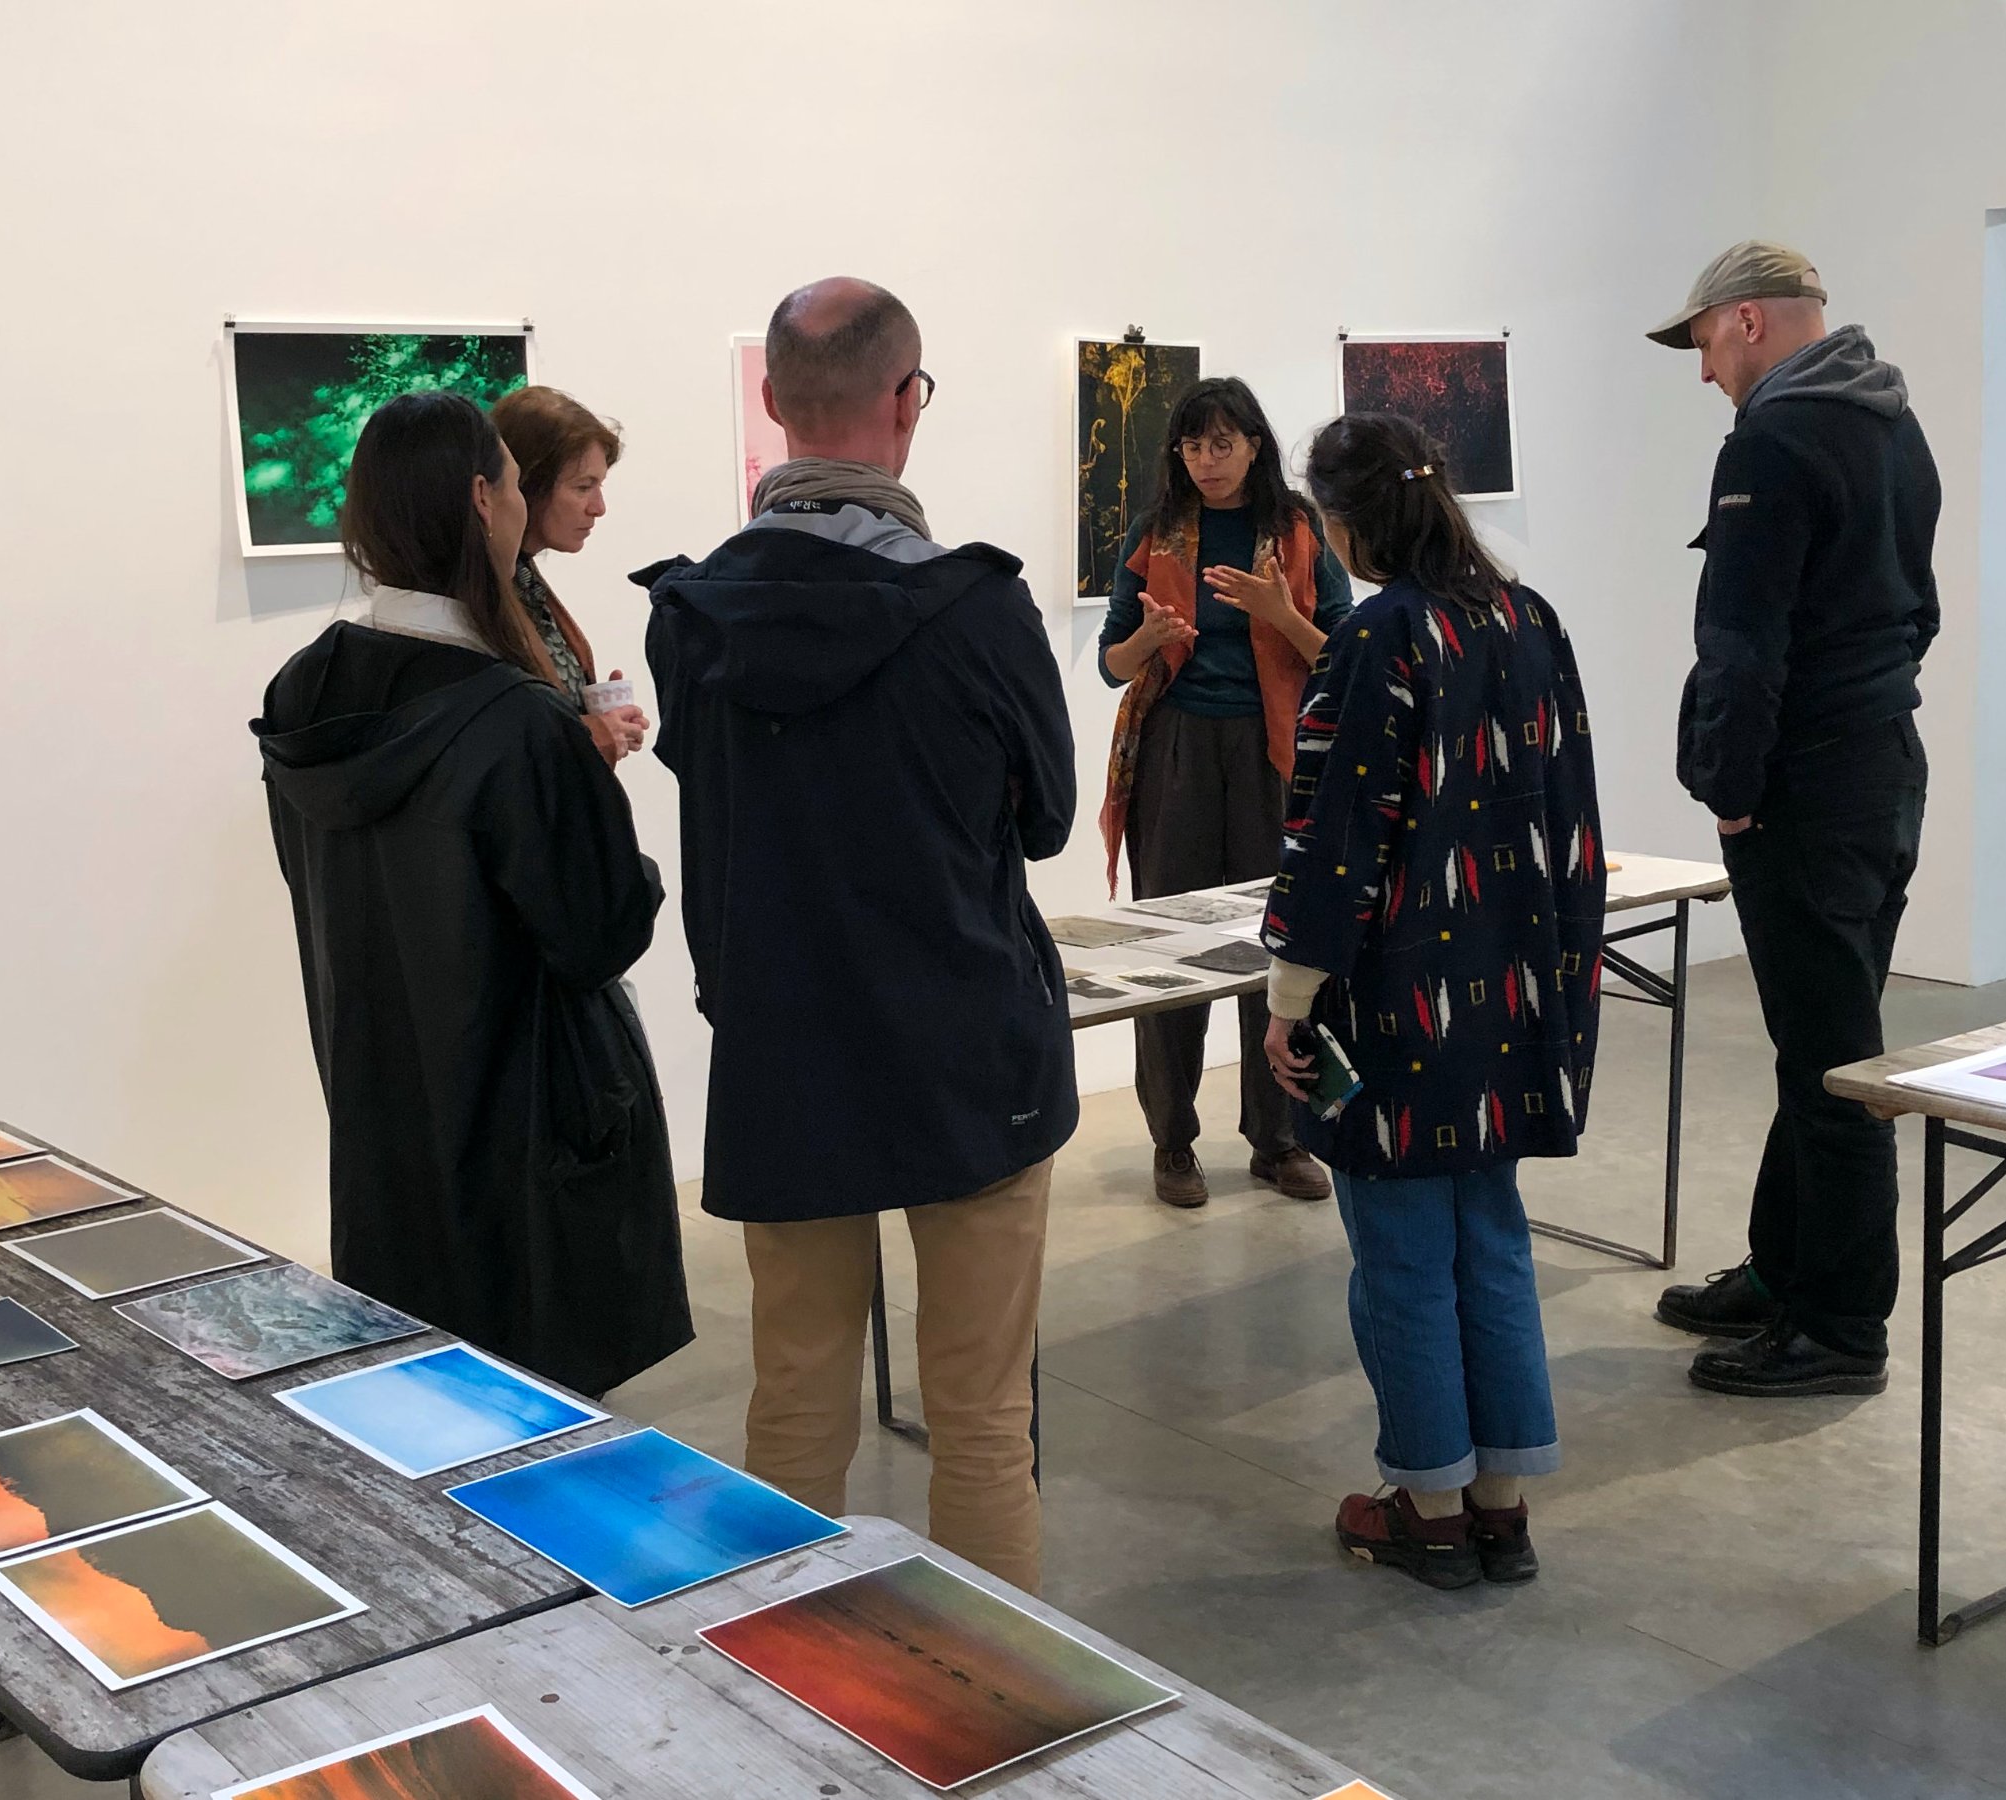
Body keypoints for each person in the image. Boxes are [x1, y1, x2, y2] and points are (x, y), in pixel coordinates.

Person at [637, 279, 1074, 1593]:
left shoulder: (691, 617)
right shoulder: (980, 610)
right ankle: (995, 1719)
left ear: (774, 405)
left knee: (795, 1404)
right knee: (983, 1416)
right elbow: (1046, 822)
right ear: (905, 404)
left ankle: (783, 1700)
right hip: (969, 1051)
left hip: (787, 1047)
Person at [253, 390, 692, 1396]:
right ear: (485, 501)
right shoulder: (514, 722)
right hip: (527, 1129)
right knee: (539, 1420)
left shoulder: (302, 693)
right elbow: (598, 930)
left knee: (424, 1403)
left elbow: (312, 883)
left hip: (381, 1104)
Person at [1260, 413, 1604, 1591]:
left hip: (1403, 1004)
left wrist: (1289, 998)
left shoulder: (1378, 638)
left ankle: (1430, 1506)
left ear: (1346, 523)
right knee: (1492, 1242)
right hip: (1512, 992)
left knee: (1402, 1257)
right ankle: (1503, 1504)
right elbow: (1571, 821)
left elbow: (1333, 838)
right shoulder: (1529, 619)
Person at [1646, 241, 1939, 1398]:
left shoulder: (1773, 438)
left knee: (1835, 1066)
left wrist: (1732, 786)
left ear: (1752, 323)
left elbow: (1743, 642)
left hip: (1807, 794)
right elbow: (1915, 614)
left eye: (1707, 342)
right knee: (1820, 1043)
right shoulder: (1890, 423)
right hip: (1879, 771)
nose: (1705, 369)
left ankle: (1843, 1327)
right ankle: (1784, 1271)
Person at [1097, 377, 1354, 1209]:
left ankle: (1278, 1138)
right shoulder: (1156, 533)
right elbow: (1112, 665)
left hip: (1276, 754)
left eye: (1223, 443)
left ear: (1254, 444)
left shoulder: (1299, 530)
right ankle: (1173, 1143)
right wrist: (1149, 636)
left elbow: (1344, 661)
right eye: (1193, 445)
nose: (1208, 460)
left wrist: (1281, 614)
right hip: (1174, 749)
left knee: (1275, 942)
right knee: (1169, 949)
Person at [487, 385, 651, 765]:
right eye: (583, 487)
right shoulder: (482, 599)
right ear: (525, 486)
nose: (599, 508)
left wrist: (600, 718)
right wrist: (593, 737)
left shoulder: (521, 579)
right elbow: (502, 747)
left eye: (599, 486)